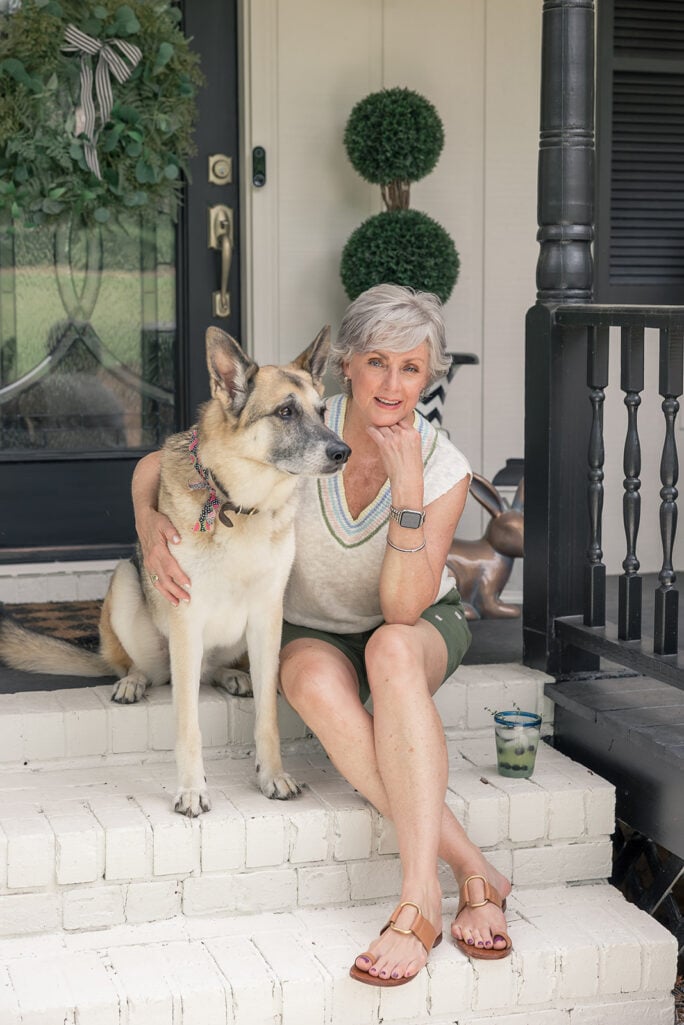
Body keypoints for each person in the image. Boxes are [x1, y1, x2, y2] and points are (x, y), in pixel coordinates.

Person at [133, 284, 512, 987]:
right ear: (345, 365)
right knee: (302, 676)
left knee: (390, 649)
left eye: (411, 367)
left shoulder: (443, 466)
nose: (392, 384)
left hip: (416, 624)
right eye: (377, 362)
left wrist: (406, 491)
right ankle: (475, 867)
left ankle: (419, 894)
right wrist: (149, 522)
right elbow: (165, 463)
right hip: (321, 630)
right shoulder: (302, 415)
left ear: (428, 375)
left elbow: (402, 606)